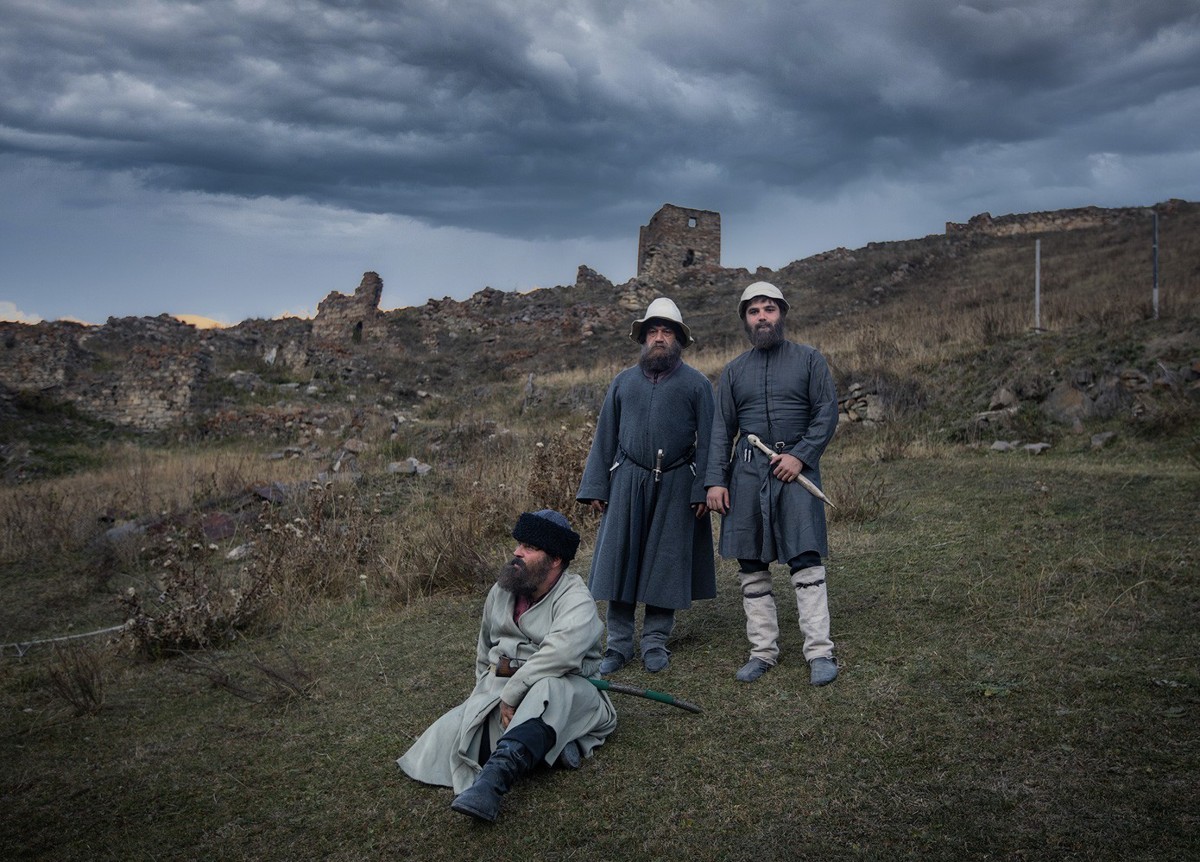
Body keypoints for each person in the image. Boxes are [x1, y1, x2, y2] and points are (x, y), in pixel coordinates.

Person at [396, 509, 617, 822]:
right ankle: (560, 746)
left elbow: (559, 656)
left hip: (570, 690)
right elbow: (485, 651)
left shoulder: (576, 600)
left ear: (555, 559)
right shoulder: (502, 590)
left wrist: (512, 692)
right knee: (451, 737)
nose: (517, 552)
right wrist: (481, 694)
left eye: (528, 547)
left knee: (547, 690)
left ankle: (492, 784)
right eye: (518, 544)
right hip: (503, 688)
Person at [705, 282, 840, 686]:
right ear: (745, 320)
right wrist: (715, 480)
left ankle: (819, 651)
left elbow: (826, 413)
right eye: (754, 311)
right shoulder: (733, 371)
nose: (762, 317)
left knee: (804, 556)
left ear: (782, 313)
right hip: (745, 474)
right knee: (751, 561)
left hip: (795, 472)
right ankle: (762, 651)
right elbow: (720, 429)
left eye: (769, 309)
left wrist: (800, 455)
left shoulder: (809, 360)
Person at [577, 297, 716, 675]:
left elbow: (712, 439)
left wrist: (702, 487)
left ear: (678, 340)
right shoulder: (623, 382)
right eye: (653, 331)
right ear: (643, 338)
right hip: (627, 480)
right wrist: (597, 485)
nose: (659, 338)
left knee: (665, 564)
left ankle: (655, 641)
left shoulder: (697, 384)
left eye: (666, 332)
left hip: (676, 482)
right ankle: (618, 646)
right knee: (621, 562)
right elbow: (605, 435)